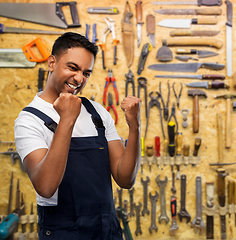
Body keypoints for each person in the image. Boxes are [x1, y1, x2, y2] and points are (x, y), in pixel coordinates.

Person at [14, 32, 141, 239]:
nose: (80, 79)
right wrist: (66, 120)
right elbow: (45, 187)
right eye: (72, 68)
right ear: (52, 63)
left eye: (86, 73)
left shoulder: (97, 112)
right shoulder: (29, 120)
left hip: (106, 230)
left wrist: (134, 126)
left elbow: (125, 178)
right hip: (64, 232)